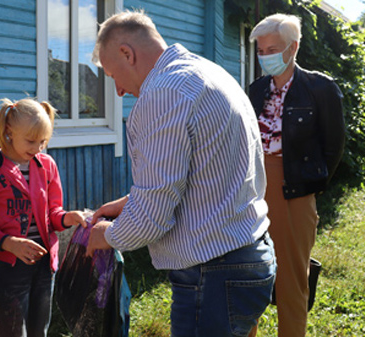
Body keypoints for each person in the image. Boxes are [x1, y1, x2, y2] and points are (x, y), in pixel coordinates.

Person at [86, 10, 276, 337]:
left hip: (214, 274)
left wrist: (104, 236)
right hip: (248, 255)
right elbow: (210, 173)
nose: (117, 90)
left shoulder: (163, 93)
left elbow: (151, 217)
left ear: (126, 54)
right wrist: (130, 202)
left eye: (110, 74)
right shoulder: (209, 72)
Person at [247, 13, 345, 337]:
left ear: (293, 47)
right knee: (249, 274)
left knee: (291, 281)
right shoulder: (256, 89)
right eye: (260, 51)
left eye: (271, 49)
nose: (265, 57)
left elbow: (333, 147)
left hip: (294, 192)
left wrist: (307, 186)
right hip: (252, 191)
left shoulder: (320, 89)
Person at [0, 98, 87, 337]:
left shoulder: (46, 165)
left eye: (43, 141)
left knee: (39, 328)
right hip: (9, 265)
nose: (38, 148)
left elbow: (53, 215)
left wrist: (68, 218)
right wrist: (9, 243)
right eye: (31, 141)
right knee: (14, 331)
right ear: (8, 131)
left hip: (43, 262)